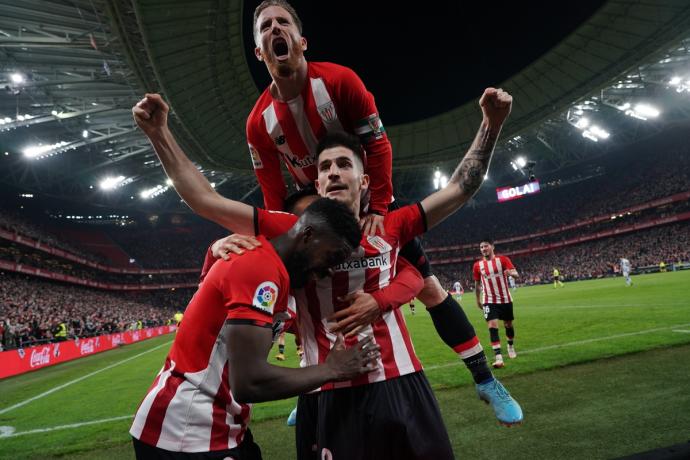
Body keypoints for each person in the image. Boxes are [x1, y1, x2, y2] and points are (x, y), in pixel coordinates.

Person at [132, 83, 522, 458]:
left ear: (363, 180)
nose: (334, 172)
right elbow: (205, 200)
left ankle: (486, 378)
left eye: (343, 164)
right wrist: (159, 133)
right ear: (317, 184)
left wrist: (491, 125)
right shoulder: (290, 228)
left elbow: (458, 190)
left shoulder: (391, 226)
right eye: (325, 167)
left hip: (400, 380)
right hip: (326, 389)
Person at [245, 0, 514, 425]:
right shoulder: (258, 122)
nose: (275, 29)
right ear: (260, 49)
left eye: (283, 23)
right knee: (297, 300)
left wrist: (380, 207)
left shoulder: (339, 81)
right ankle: (310, 386)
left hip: (365, 207)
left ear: (301, 40)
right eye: (265, 26)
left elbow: (378, 144)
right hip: (315, 219)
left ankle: (485, 379)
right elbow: (272, 193)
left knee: (429, 288)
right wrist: (283, 240)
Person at [129, 197, 380, 459]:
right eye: (332, 256)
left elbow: (211, 293)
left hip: (219, 425)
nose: (329, 270)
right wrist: (333, 369)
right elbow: (249, 382)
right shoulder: (260, 267)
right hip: (187, 429)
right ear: (308, 235)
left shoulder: (278, 276)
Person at [474, 240, 519, 368]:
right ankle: (498, 358)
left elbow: (517, 274)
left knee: (508, 324)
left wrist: (511, 273)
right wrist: (478, 299)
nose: (483, 249)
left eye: (486, 246)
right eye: (481, 247)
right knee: (492, 325)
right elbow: (477, 284)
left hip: (505, 299)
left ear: (492, 247)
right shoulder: (477, 265)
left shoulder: (503, 260)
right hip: (488, 300)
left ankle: (510, 346)